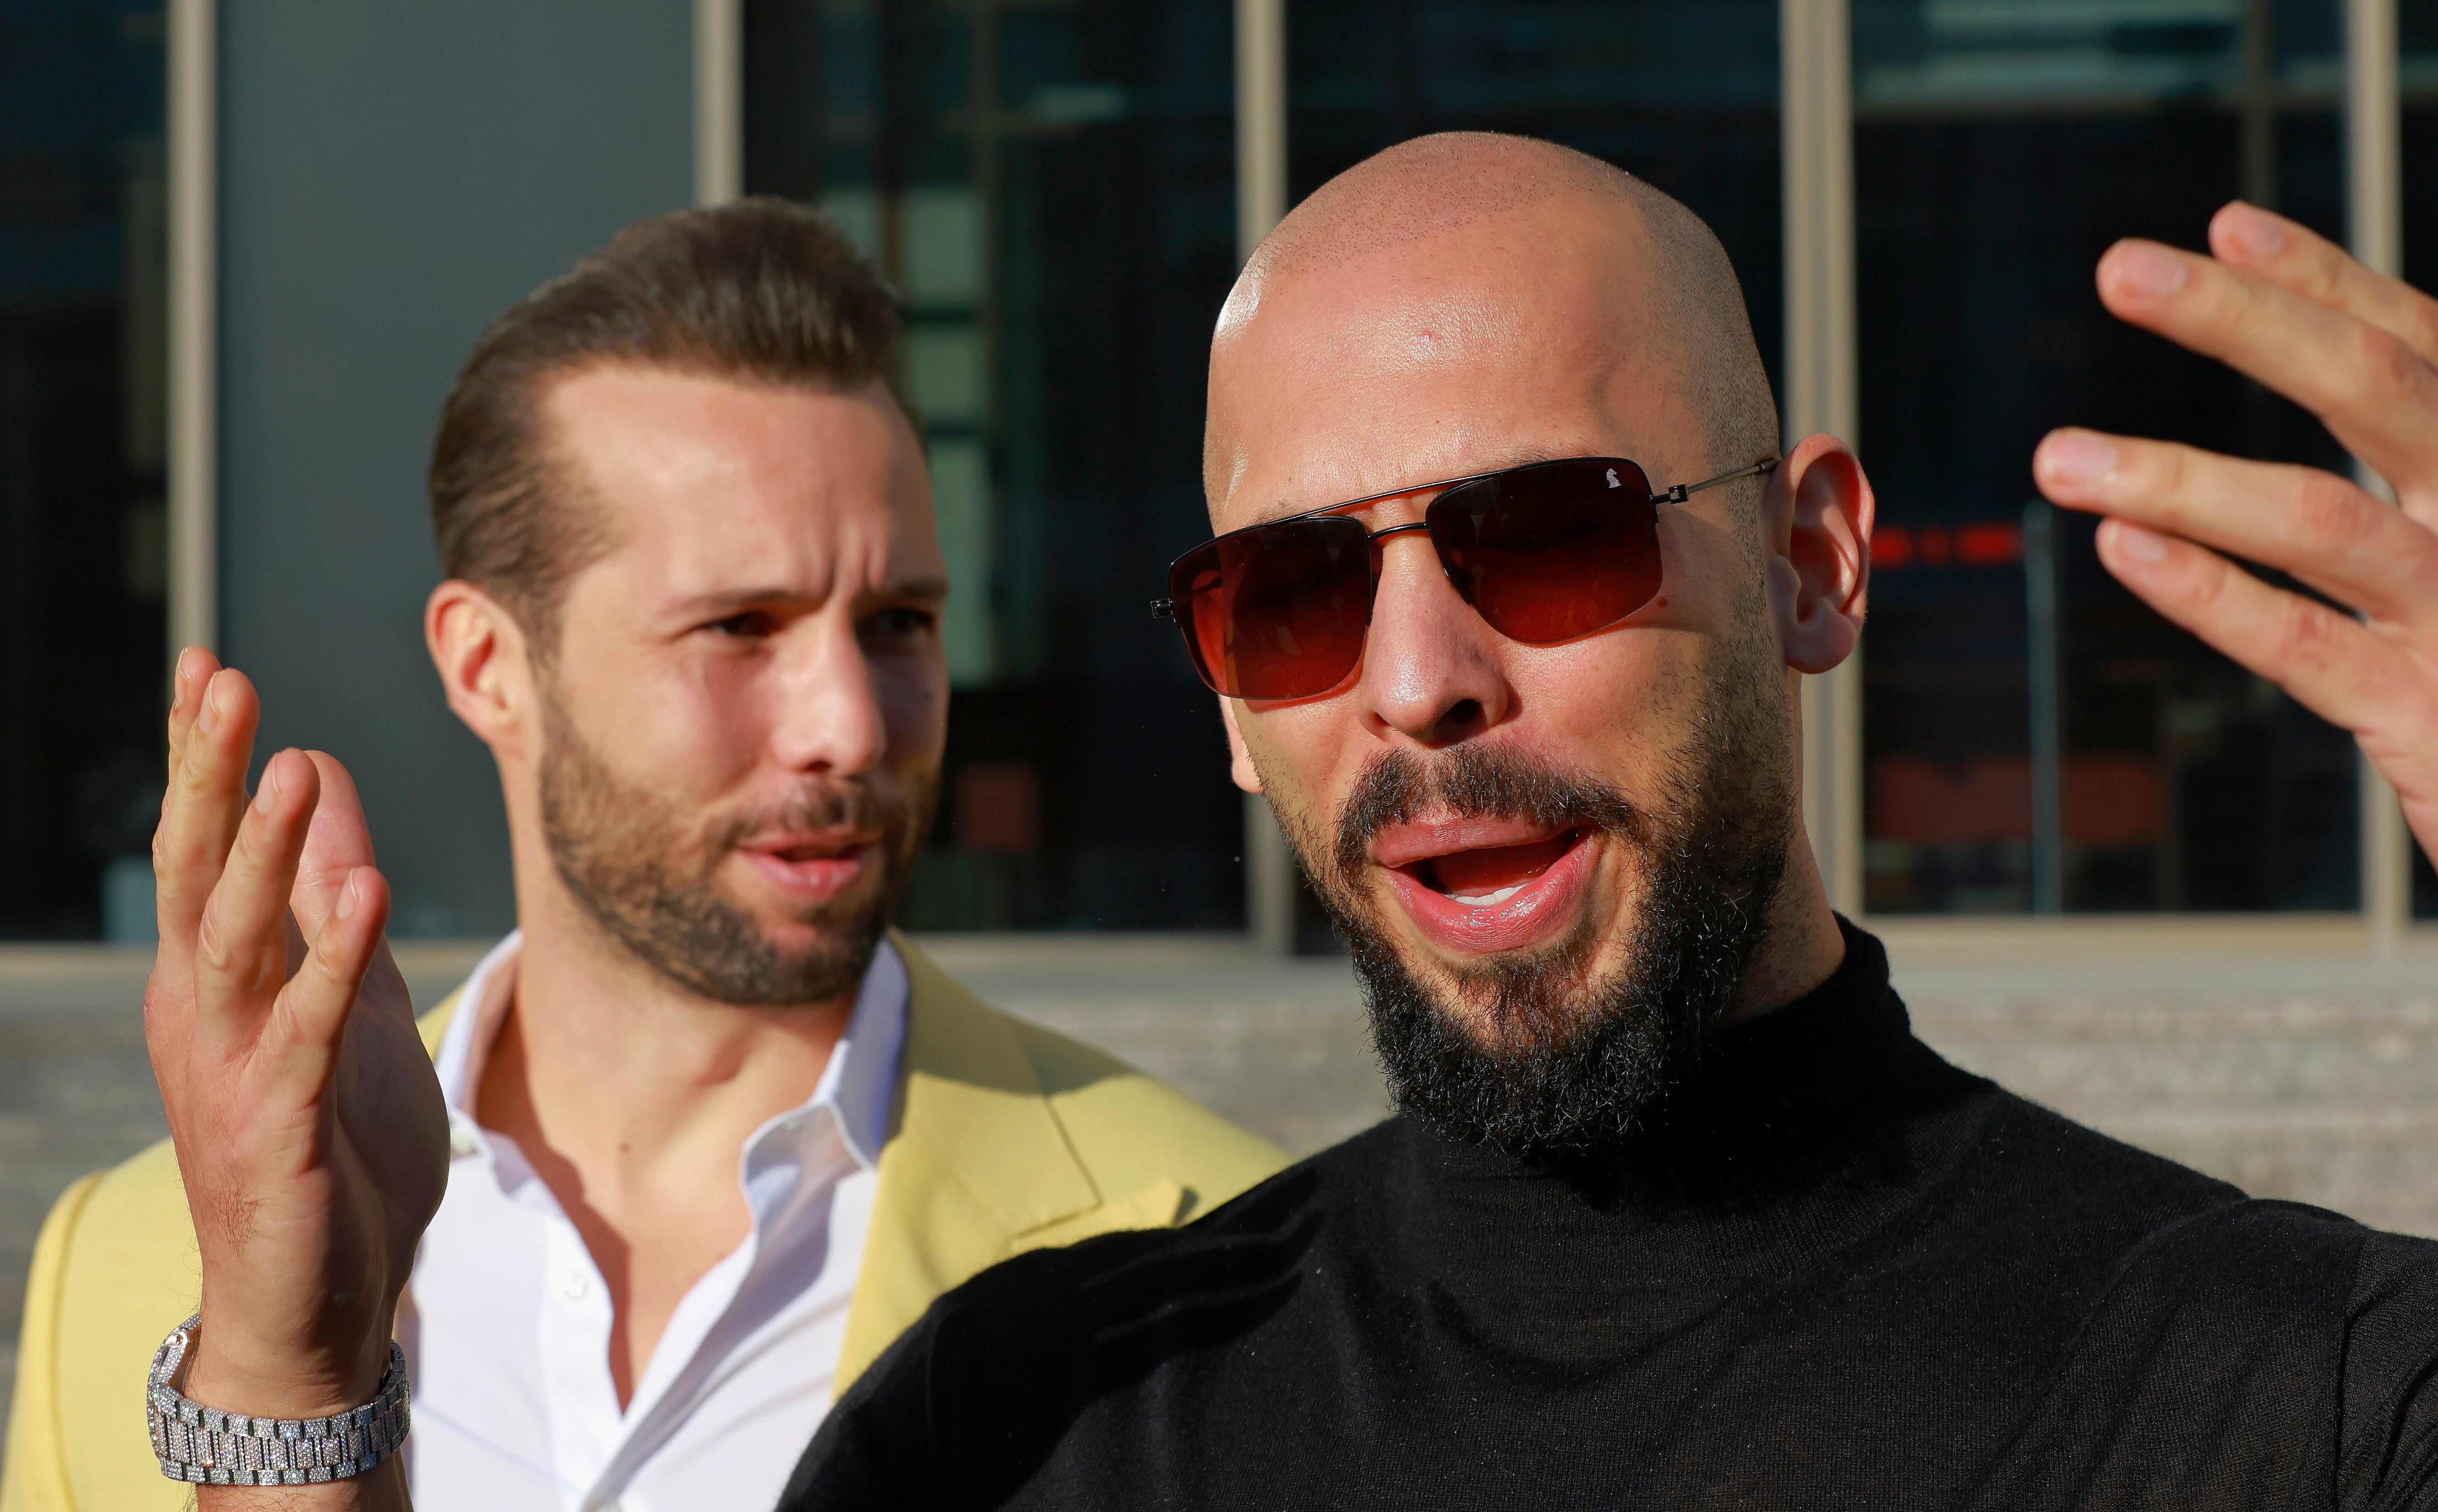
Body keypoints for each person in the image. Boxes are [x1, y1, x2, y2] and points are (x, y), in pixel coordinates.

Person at [778, 134, 2438, 1506]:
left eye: (1549, 533)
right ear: (1225, 698)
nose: (1418, 681)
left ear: (1810, 564)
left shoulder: (2297, 1397)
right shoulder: (1015, 1436)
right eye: (1291, 593)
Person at [0, 199, 1285, 1512]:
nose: (848, 722)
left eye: (898, 620)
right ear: (490, 666)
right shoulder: (125, 1270)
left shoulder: (1226, 1254)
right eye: (739, 625)